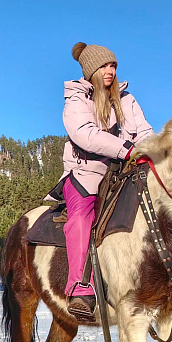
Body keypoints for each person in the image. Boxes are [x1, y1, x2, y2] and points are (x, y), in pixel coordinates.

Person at [61, 42, 154, 319]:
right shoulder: (77, 100)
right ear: (91, 70)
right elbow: (84, 134)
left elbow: (145, 132)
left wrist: (153, 152)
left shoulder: (128, 100)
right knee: (80, 217)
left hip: (125, 172)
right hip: (86, 173)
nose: (110, 71)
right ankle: (79, 285)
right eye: (104, 66)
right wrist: (125, 149)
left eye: (113, 65)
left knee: (162, 203)